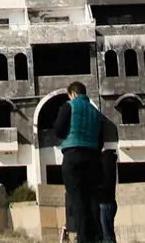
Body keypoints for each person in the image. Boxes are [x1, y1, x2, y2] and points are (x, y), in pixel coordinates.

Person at [51, 81, 105, 243]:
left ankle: (83, 238)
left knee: (77, 197)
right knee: (92, 198)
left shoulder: (69, 106)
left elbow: (58, 130)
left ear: (72, 93)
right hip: (94, 157)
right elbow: (101, 140)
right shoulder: (96, 113)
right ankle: (97, 236)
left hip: (73, 155)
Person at [97, 146, 119, 243]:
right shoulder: (109, 162)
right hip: (109, 202)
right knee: (108, 234)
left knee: (107, 236)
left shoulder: (104, 162)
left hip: (104, 203)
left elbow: (103, 185)